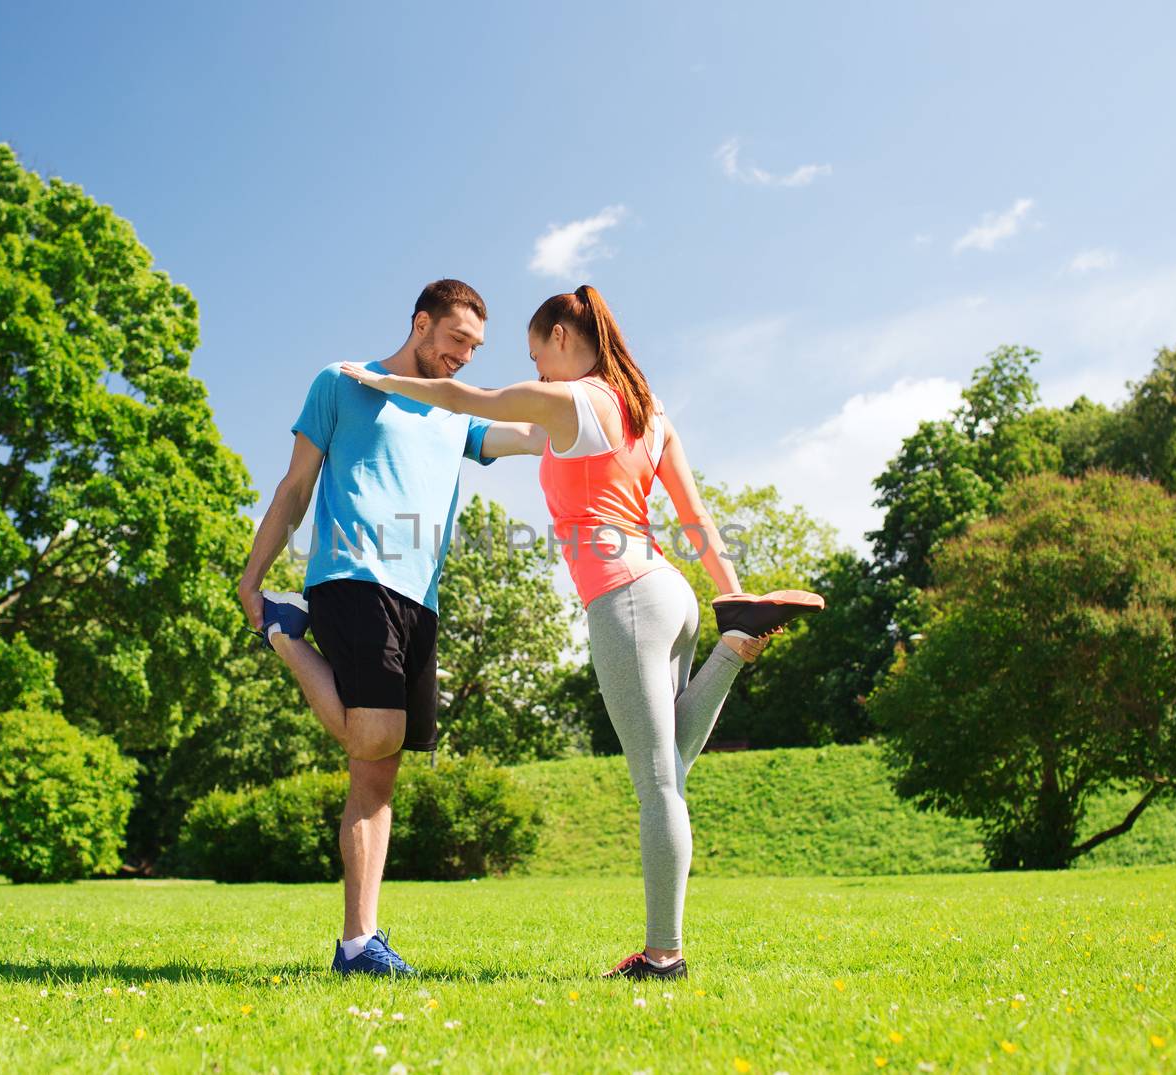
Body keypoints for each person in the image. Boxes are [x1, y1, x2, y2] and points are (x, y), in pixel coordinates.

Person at [339, 283, 823, 979]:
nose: (536, 375)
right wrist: (728, 591)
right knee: (673, 772)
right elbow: (696, 518)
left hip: (624, 599)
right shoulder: (648, 413)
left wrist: (379, 378)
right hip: (673, 594)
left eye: (537, 359)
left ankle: (663, 957)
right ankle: (735, 637)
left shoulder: (570, 399)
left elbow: (467, 400)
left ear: (562, 340)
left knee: (657, 785)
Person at [237, 279, 544, 977]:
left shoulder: (455, 411)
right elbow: (295, 487)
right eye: (456, 339)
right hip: (352, 575)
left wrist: (585, 394)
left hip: (421, 596)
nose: (465, 356)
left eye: (476, 346)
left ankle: (358, 944)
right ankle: (285, 629)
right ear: (421, 322)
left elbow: (528, 434)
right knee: (374, 736)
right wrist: (254, 575)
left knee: (379, 769)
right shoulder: (342, 385)